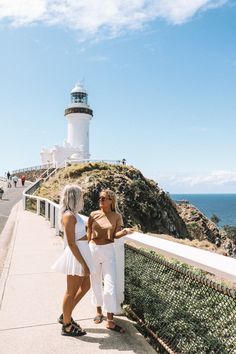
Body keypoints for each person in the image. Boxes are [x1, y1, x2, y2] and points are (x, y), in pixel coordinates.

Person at [87, 189, 134, 333]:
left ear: (111, 201)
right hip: (93, 250)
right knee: (95, 282)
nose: (101, 200)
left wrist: (125, 231)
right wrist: (87, 245)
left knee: (109, 286)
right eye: (100, 198)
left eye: (104, 198)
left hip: (108, 251)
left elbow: (115, 234)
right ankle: (99, 312)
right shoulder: (93, 214)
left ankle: (110, 320)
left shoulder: (116, 216)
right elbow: (88, 230)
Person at [52, 185, 93, 337]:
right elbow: (71, 242)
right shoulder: (69, 216)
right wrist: (83, 263)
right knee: (71, 291)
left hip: (83, 252)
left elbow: (80, 235)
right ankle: (67, 326)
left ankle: (65, 315)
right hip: (77, 255)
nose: (82, 198)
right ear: (74, 197)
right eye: (80, 195)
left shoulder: (74, 214)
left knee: (86, 286)